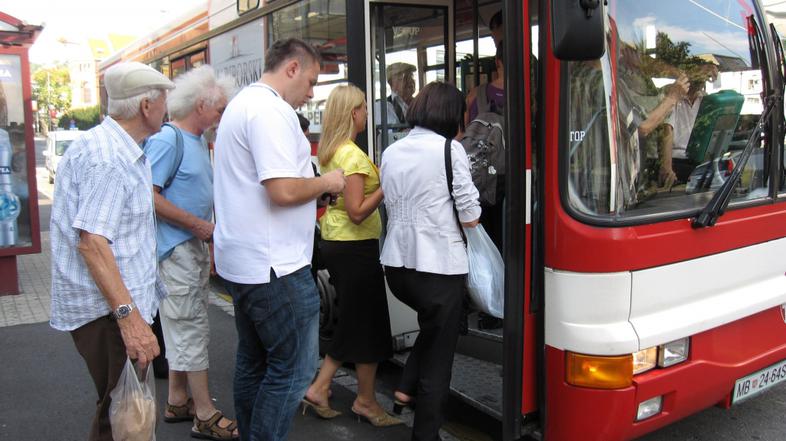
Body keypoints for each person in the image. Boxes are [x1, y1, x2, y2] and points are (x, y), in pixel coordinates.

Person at [213, 38, 346, 441]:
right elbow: (283, 191)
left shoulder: (242, 105)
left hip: (244, 261)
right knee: (294, 370)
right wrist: (327, 181)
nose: (310, 93)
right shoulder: (271, 111)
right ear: (291, 68)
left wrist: (312, 189)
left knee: (254, 362)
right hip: (276, 266)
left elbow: (274, 185)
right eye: (309, 81)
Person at [49, 61, 174, 441]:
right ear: (146, 106)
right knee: (124, 420)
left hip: (110, 309)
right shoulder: (110, 158)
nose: (167, 108)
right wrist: (130, 319)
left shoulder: (111, 146)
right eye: (164, 100)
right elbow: (93, 244)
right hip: (107, 313)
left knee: (122, 414)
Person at [380, 82, 481, 441]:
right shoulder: (450, 151)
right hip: (438, 269)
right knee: (439, 364)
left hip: (397, 268)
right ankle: (425, 436)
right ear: (451, 114)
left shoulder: (391, 151)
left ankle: (405, 385)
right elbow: (470, 216)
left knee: (437, 328)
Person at [144, 65, 238, 440]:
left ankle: (178, 399)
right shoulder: (170, 140)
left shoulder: (193, 139)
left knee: (186, 324)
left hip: (188, 247)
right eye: (219, 110)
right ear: (202, 105)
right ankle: (204, 412)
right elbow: (147, 196)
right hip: (178, 247)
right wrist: (196, 225)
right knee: (190, 328)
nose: (221, 117)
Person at [303, 84, 402, 427]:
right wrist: (387, 187)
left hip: (338, 242)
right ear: (352, 114)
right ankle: (346, 396)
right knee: (365, 323)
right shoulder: (353, 156)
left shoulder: (332, 151)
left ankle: (357, 397)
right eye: (362, 108)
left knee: (361, 322)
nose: (366, 113)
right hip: (354, 245)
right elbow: (358, 211)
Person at [659, 63, 719, 187]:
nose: (703, 81)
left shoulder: (707, 100)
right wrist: (667, 168)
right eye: (701, 75)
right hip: (677, 161)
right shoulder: (673, 95)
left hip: (701, 161)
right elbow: (667, 131)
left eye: (705, 78)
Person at [374, 62, 416, 127]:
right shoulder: (382, 107)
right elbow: (389, 134)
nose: (410, 81)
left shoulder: (419, 104)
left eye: (411, 76)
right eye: (404, 77)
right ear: (391, 83)